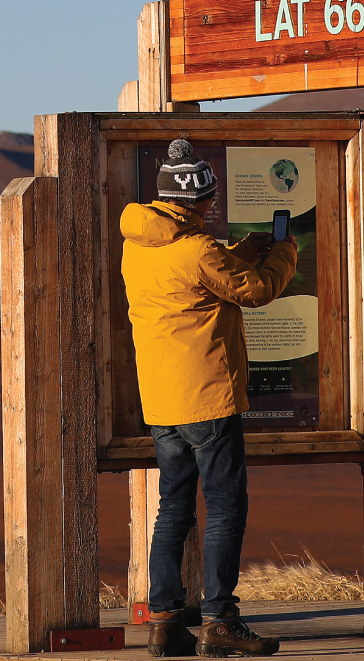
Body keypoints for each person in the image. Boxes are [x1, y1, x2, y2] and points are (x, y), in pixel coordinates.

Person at [121, 138, 297, 658]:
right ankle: (219, 620)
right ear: (197, 199)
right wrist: (284, 251)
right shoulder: (198, 249)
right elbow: (256, 290)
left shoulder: (139, 245)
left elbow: (196, 273)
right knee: (224, 507)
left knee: (173, 510)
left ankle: (164, 622)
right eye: (208, 198)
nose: (212, 205)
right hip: (209, 398)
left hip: (163, 401)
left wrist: (241, 249)